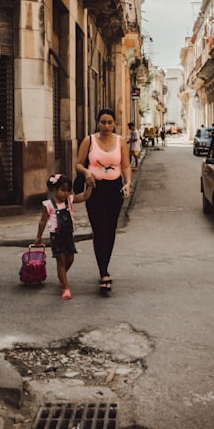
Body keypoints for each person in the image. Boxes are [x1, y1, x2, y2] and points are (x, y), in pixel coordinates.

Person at [75, 108, 132, 294]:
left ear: (114, 123)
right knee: (99, 229)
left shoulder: (120, 141)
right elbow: (78, 163)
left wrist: (128, 183)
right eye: (103, 122)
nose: (106, 126)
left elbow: (125, 165)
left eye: (109, 122)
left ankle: (104, 266)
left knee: (110, 229)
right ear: (97, 123)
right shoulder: (89, 140)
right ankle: (104, 272)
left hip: (115, 189)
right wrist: (86, 172)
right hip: (95, 190)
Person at [35, 173, 93, 300]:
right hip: (57, 236)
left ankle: (62, 276)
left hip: (68, 235)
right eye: (63, 190)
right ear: (54, 190)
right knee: (61, 261)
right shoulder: (48, 205)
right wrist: (38, 237)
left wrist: (90, 186)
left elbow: (84, 197)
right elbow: (43, 221)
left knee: (70, 258)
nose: (66, 193)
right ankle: (66, 288)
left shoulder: (69, 200)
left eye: (68, 191)